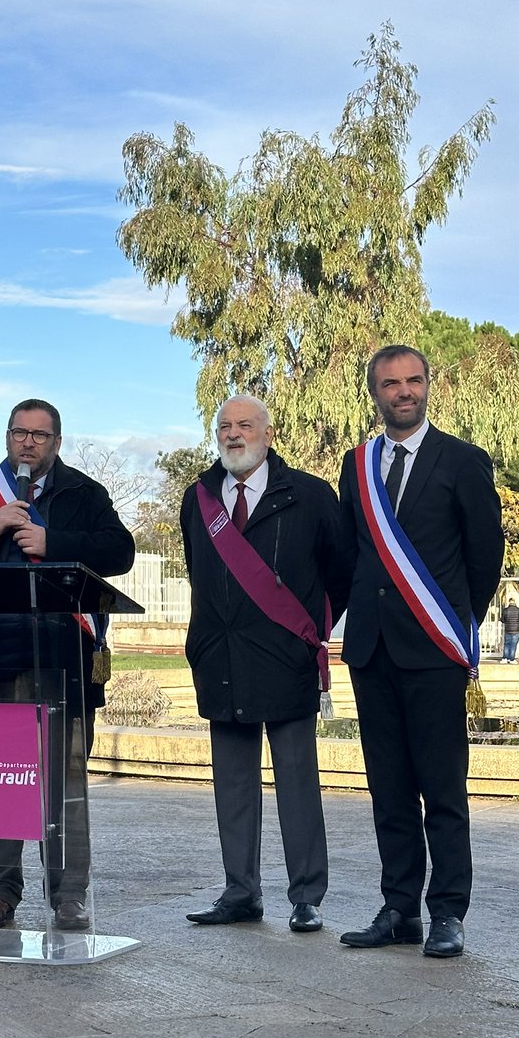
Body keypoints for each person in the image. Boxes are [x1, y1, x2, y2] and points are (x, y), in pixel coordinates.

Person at [0, 398, 135, 931]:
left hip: (60, 661)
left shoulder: (84, 494)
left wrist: (52, 542)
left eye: (39, 435)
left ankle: (68, 894)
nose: (28, 443)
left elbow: (120, 551)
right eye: (20, 433)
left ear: (56, 442)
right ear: (8, 438)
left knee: (65, 787)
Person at [338, 345, 504, 958]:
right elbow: (352, 552)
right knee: (388, 789)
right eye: (390, 383)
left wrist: (455, 625)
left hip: (434, 649)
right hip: (372, 649)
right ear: (375, 393)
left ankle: (448, 911)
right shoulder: (356, 465)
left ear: (428, 386)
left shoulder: (463, 460)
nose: (403, 391)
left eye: (412, 381)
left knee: (443, 788)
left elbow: (484, 555)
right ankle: (399, 908)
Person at [179, 395, 349, 932]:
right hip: (221, 659)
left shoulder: (311, 496)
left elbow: (340, 574)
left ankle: (307, 896)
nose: (234, 434)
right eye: (225, 426)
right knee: (232, 783)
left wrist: (305, 634)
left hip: (285, 659)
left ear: (268, 434)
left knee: (297, 783)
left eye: (245, 425)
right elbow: (200, 572)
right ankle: (240, 893)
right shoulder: (199, 498)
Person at [500, 596, 519, 663]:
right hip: (517, 630)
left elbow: (502, 620)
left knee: (507, 644)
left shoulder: (505, 610)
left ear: (509, 602)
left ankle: (505, 658)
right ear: (515, 602)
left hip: (508, 630)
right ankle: (511, 659)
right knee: (513, 645)